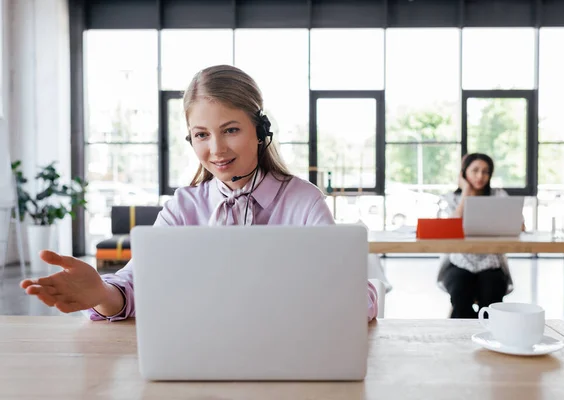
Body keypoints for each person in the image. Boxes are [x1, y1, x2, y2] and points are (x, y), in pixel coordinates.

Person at [20, 65, 378, 321]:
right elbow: (133, 285)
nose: (217, 149)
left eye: (231, 129)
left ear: (260, 130)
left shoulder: (303, 202)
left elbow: (357, 299)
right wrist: (101, 294)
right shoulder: (182, 208)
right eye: (202, 134)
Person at [437, 153, 517, 319]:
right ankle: (463, 335)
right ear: (464, 173)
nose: (480, 176)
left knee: (492, 292)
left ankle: (490, 334)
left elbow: (517, 225)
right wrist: (466, 191)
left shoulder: (499, 196)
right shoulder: (451, 199)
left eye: (485, 171)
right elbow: (449, 227)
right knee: (460, 291)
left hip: (491, 263)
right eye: (475, 170)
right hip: (459, 262)